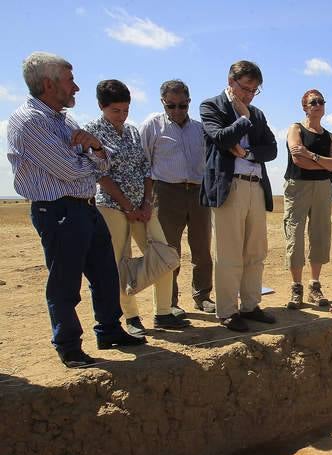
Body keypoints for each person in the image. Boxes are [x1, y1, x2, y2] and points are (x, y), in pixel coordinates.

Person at [7, 52, 145, 368]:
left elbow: (102, 159)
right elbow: (69, 168)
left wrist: (95, 148)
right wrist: (93, 153)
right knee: (66, 281)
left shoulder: (64, 119)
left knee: (105, 273)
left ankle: (109, 330)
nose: (77, 88)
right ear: (48, 84)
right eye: (70, 81)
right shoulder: (30, 121)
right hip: (58, 210)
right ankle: (68, 345)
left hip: (85, 207)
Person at [86, 80, 189, 336]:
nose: (121, 116)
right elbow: (101, 175)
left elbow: (145, 168)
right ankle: (131, 318)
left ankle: (163, 312)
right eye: (115, 111)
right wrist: (127, 206)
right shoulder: (91, 131)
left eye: (125, 110)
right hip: (112, 207)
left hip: (144, 209)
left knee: (163, 256)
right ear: (101, 106)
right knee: (119, 263)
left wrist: (145, 204)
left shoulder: (133, 131)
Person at [200, 60, 278, 332]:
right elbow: (220, 138)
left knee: (255, 251)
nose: (248, 95)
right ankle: (228, 311)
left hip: (256, 185)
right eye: (245, 88)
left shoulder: (258, 113)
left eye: (254, 90)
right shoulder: (211, 107)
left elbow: (271, 149)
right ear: (231, 81)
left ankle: (250, 305)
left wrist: (247, 153)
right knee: (229, 252)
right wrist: (243, 118)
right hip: (229, 187)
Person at [140, 79, 215, 318]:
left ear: (189, 102)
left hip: (198, 192)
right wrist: (146, 198)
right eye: (171, 105)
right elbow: (143, 164)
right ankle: (169, 302)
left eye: (182, 105)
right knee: (168, 249)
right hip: (166, 192)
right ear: (163, 102)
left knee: (202, 248)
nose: (177, 111)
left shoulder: (200, 129)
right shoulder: (152, 126)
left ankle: (202, 296)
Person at [283, 89, 332, 309]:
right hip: (298, 186)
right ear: (304, 106)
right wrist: (325, 162)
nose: (318, 105)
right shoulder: (295, 129)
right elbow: (298, 159)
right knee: (295, 235)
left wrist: (313, 156)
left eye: (321, 102)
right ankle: (296, 287)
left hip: (323, 188)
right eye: (313, 102)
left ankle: (314, 286)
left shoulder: (329, 137)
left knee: (320, 234)